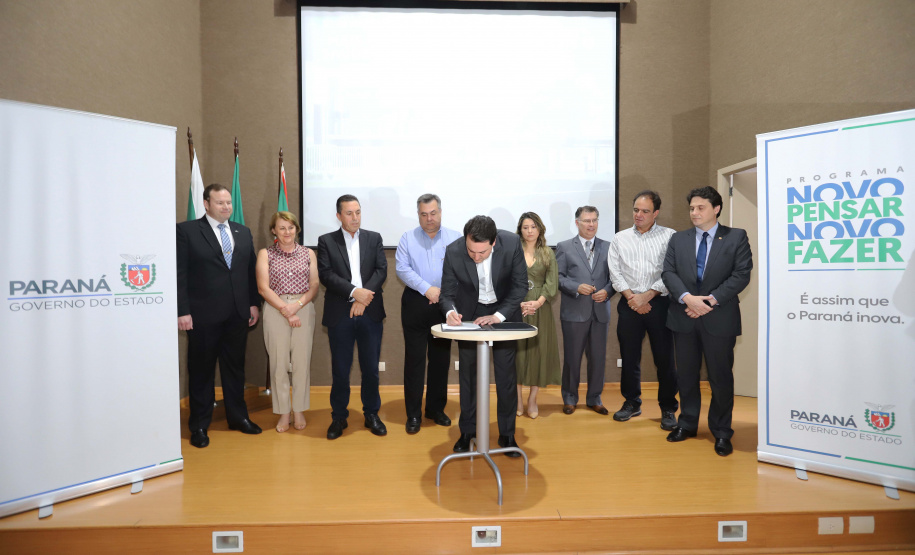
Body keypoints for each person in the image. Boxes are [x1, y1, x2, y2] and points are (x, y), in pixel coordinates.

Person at [662, 186, 752, 457]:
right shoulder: (678, 239)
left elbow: (741, 274)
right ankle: (687, 423)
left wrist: (708, 302)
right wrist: (688, 299)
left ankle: (722, 431)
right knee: (686, 376)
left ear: (716, 209)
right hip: (684, 317)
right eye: (691, 208)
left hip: (719, 318)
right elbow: (668, 272)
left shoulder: (736, 237)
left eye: (700, 207)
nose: (694, 212)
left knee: (720, 378)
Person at [177, 183, 263, 448]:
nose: (226, 207)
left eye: (229, 203)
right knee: (201, 371)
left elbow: (249, 271)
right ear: (206, 204)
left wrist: (253, 304)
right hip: (202, 316)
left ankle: (238, 418)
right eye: (220, 203)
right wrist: (182, 311)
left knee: (235, 368)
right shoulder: (187, 231)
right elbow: (179, 274)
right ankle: (199, 425)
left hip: (237, 314)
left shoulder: (242, 231)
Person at [441, 215, 527, 456]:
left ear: (494, 242)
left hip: (503, 311)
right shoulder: (454, 250)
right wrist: (450, 312)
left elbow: (520, 286)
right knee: (468, 376)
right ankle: (467, 431)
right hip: (471, 313)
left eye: (482, 252)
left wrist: (498, 316)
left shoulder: (511, 244)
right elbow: (447, 293)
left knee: (506, 376)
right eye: (471, 251)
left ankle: (507, 434)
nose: (476, 257)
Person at [317, 195, 388, 440]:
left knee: (371, 369)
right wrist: (354, 292)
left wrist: (363, 297)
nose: (355, 217)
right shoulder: (326, 241)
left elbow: (381, 270)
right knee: (340, 369)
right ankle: (339, 417)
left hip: (370, 312)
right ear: (339, 216)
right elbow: (326, 274)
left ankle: (372, 414)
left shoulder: (374, 238)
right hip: (340, 314)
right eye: (349, 213)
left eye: (358, 212)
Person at [608, 191, 678, 430]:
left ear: (655, 213)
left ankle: (668, 407)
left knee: (664, 358)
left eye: (645, 211)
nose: (639, 215)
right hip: (629, 303)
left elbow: (671, 272)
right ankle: (631, 402)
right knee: (629, 357)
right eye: (636, 210)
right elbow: (615, 273)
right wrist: (632, 298)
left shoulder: (670, 236)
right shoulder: (620, 238)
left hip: (659, 303)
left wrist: (647, 296)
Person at [395, 194, 461, 434]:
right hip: (415, 302)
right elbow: (402, 268)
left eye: (433, 213)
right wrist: (427, 289)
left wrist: (441, 294)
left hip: (445, 304)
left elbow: (462, 269)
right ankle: (413, 414)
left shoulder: (455, 238)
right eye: (424, 214)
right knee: (414, 361)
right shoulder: (407, 238)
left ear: (440, 212)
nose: (429, 219)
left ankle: (435, 409)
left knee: (440, 360)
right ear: (418, 215)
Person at [255, 211, 319, 433]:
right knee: (278, 363)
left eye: (290, 227)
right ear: (274, 230)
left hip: (303, 307)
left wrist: (296, 306)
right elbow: (263, 288)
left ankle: (299, 409)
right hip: (275, 308)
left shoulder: (308, 253)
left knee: (302, 362)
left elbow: (314, 285)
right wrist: (286, 310)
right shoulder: (265, 254)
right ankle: (283, 412)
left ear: (296, 229)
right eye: (281, 228)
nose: (287, 232)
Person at [555, 206, 614, 415]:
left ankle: (594, 398)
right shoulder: (564, 247)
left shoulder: (609, 246)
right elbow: (558, 278)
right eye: (587, 221)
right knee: (572, 358)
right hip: (574, 312)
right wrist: (576, 287)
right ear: (577, 223)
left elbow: (615, 278)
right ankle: (570, 398)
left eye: (594, 220)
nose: (591, 224)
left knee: (598, 358)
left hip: (600, 312)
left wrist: (607, 292)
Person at [515, 212, 560, 419]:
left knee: (538, 352)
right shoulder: (514, 251)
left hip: (541, 309)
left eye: (533, 227)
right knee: (517, 354)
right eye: (525, 227)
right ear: (520, 230)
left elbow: (552, 283)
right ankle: (517, 399)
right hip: (517, 307)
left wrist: (538, 302)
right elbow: (506, 280)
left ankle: (532, 399)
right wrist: (519, 303)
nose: (530, 231)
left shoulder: (547, 253)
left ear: (540, 228)